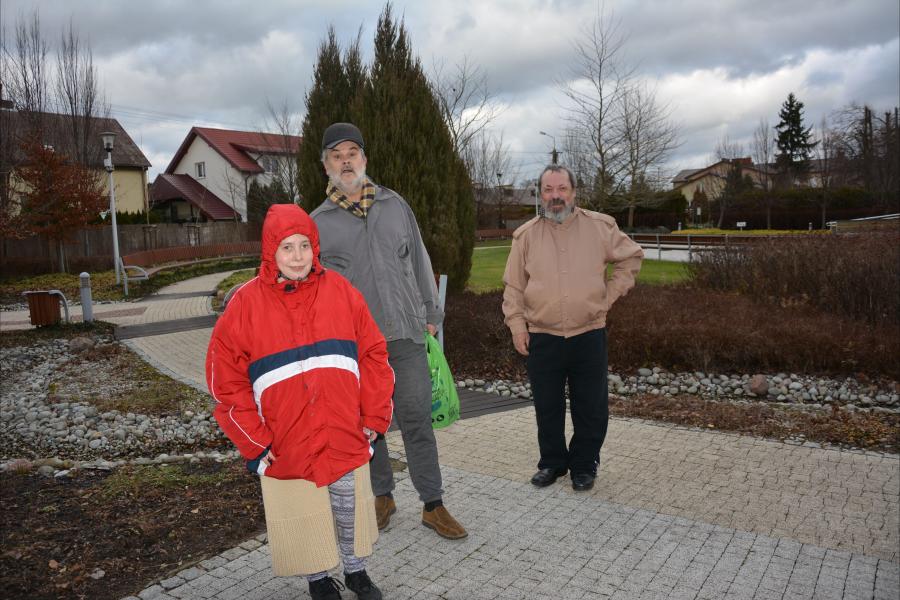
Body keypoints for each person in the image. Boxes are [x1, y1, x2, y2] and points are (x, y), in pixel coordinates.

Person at [206, 203, 394, 600]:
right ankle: (319, 578)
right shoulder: (245, 305)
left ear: (315, 248)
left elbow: (375, 354)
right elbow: (225, 383)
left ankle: (356, 571)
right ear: (270, 251)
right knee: (305, 510)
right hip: (285, 435)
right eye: (287, 247)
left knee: (350, 507)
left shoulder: (342, 292)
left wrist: (373, 418)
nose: (297, 256)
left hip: (343, 426)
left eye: (304, 246)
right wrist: (256, 443)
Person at [311, 122, 467, 540]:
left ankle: (433, 505)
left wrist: (432, 310)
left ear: (364, 159)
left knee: (416, 419)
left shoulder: (396, 205)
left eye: (352, 153)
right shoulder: (317, 224)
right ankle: (383, 495)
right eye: (337, 156)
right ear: (325, 165)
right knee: (370, 425)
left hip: (406, 336)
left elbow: (418, 258)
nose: (346, 161)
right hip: (356, 347)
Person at [502, 165, 643, 492]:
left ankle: (584, 465)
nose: (555, 196)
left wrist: (607, 297)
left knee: (590, 405)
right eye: (548, 190)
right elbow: (513, 287)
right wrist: (516, 325)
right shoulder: (525, 236)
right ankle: (552, 462)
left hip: (588, 334)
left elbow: (631, 258)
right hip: (542, 335)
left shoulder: (601, 227)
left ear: (574, 191)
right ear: (540, 194)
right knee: (547, 405)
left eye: (561, 189)